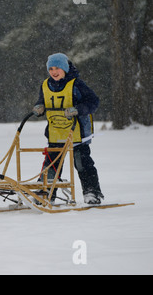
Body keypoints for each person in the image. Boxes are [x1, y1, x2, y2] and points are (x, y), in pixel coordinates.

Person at [32, 53, 104, 204]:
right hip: (55, 133)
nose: (54, 71)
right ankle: (46, 193)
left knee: (82, 163)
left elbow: (93, 102)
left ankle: (92, 193)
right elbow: (42, 100)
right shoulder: (45, 85)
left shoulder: (77, 85)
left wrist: (78, 109)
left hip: (77, 133)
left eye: (57, 68)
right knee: (51, 165)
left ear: (64, 68)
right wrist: (40, 107)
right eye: (51, 68)